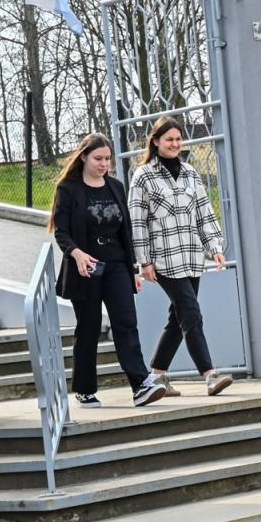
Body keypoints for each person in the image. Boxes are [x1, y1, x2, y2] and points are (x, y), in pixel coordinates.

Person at [48, 132, 169, 409]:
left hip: (115, 263)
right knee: (89, 327)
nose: (104, 164)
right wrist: (76, 254)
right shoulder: (68, 189)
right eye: (98, 158)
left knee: (126, 322)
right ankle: (85, 389)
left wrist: (133, 270)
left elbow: (125, 231)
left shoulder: (115, 186)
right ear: (84, 157)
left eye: (107, 159)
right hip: (86, 267)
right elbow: (62, 232)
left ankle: (140, 385)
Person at [128, 115, 234, 397]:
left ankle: (156, 376)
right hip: (163, 259)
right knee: (190, 312)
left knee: (178, 317)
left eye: (178, 139)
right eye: (169, 139)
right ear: (155, 141)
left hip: (190, 256)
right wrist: (144, 261)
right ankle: (210, 375)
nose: (175, 144)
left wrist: (215, 248)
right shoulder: (143, 176)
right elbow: (137, 222)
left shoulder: (190, 173)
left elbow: (204, 212)